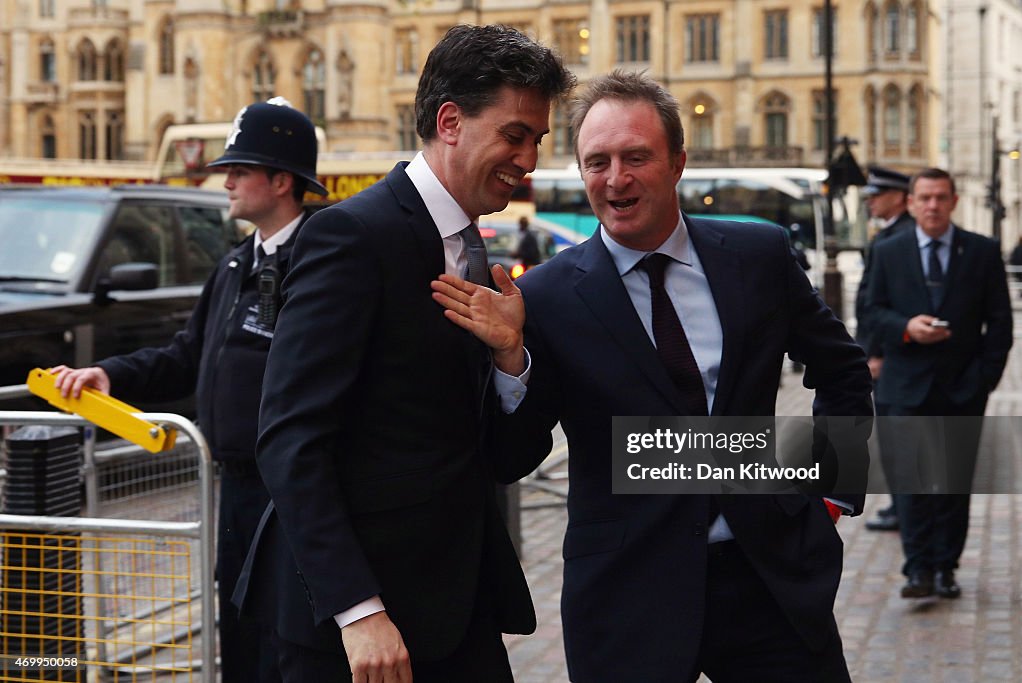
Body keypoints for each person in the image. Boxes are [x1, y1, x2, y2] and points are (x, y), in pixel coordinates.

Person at [432, 71, 872, 682]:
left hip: (768, 579)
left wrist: (831, 489)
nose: (616, 179)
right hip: (627, 594)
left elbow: (843, 368)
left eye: (636, 156)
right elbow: (511, 455)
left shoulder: (759, 256)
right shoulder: (548, 297)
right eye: (597, 161)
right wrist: (512, 360)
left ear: (677, 163)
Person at [231, 25, 574, 682]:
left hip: (457, 606)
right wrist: (357, 610)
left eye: (537, 140)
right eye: (514, 135)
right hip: (360, 625)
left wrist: (511, 359)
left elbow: (507, 456)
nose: (529, 158)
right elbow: (289, 437)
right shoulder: (352, 234)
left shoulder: (477, 253)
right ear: (451, 121)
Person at [49, 98, 328, 683]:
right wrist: (111, 375)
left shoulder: (319, 262)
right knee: (239, 632)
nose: (225, 181)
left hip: (292, 492)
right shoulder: (233, 266)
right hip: (234, 486)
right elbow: (187, 355)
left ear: (281, 181)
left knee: (290, 641)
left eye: (240, 170)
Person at [865, 167, 1013, 599]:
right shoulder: (888, 251)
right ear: (911, 203)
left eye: (941, 197)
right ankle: (919, 570)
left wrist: (984, 379)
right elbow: (872, 312)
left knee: (951, 484)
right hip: (905, 386)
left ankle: (946, 567)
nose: (932, 206)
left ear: (954, 201)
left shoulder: (982, 252)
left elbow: (999, 323)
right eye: (924, 198)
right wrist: (907, 328)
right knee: (910, 486)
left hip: (961, 388)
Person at [855, 165, 916, 532]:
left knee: (899, 435)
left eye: (877, 196)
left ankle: (903, 506)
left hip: (891, 355)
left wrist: (876, 353)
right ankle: (900, 504)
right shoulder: (891, 234)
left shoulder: (900, 238)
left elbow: (887, 302)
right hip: (885, 351)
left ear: (897, 197)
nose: (871, 203)